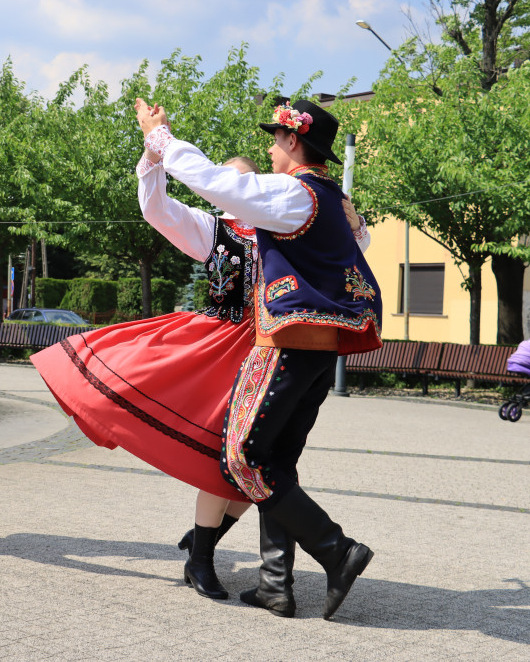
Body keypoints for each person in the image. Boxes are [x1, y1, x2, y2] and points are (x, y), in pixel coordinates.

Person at [32, 145, 370, 601]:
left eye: (246, 182)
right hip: (223, 349)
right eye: (231, 184)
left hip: (277, 349)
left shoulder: (292, 226)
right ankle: (207, 559)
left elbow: (352, 248)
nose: (237, 192)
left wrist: (354, 222)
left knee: (264, 465)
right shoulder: (214, 228)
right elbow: (157, 209)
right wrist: (152, 159)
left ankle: (227, 560)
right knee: (228, 460)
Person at [135, 97, 382, 620]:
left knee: (243, 456)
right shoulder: (329, 198)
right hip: (314, 348)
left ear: (294, 142)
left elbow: (221, 183)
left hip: (284, 346)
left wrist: (160, 138)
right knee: (276, 461)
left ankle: (338, 552)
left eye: (274, 141)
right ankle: (274, 584)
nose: (270, 151)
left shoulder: (293, 192)